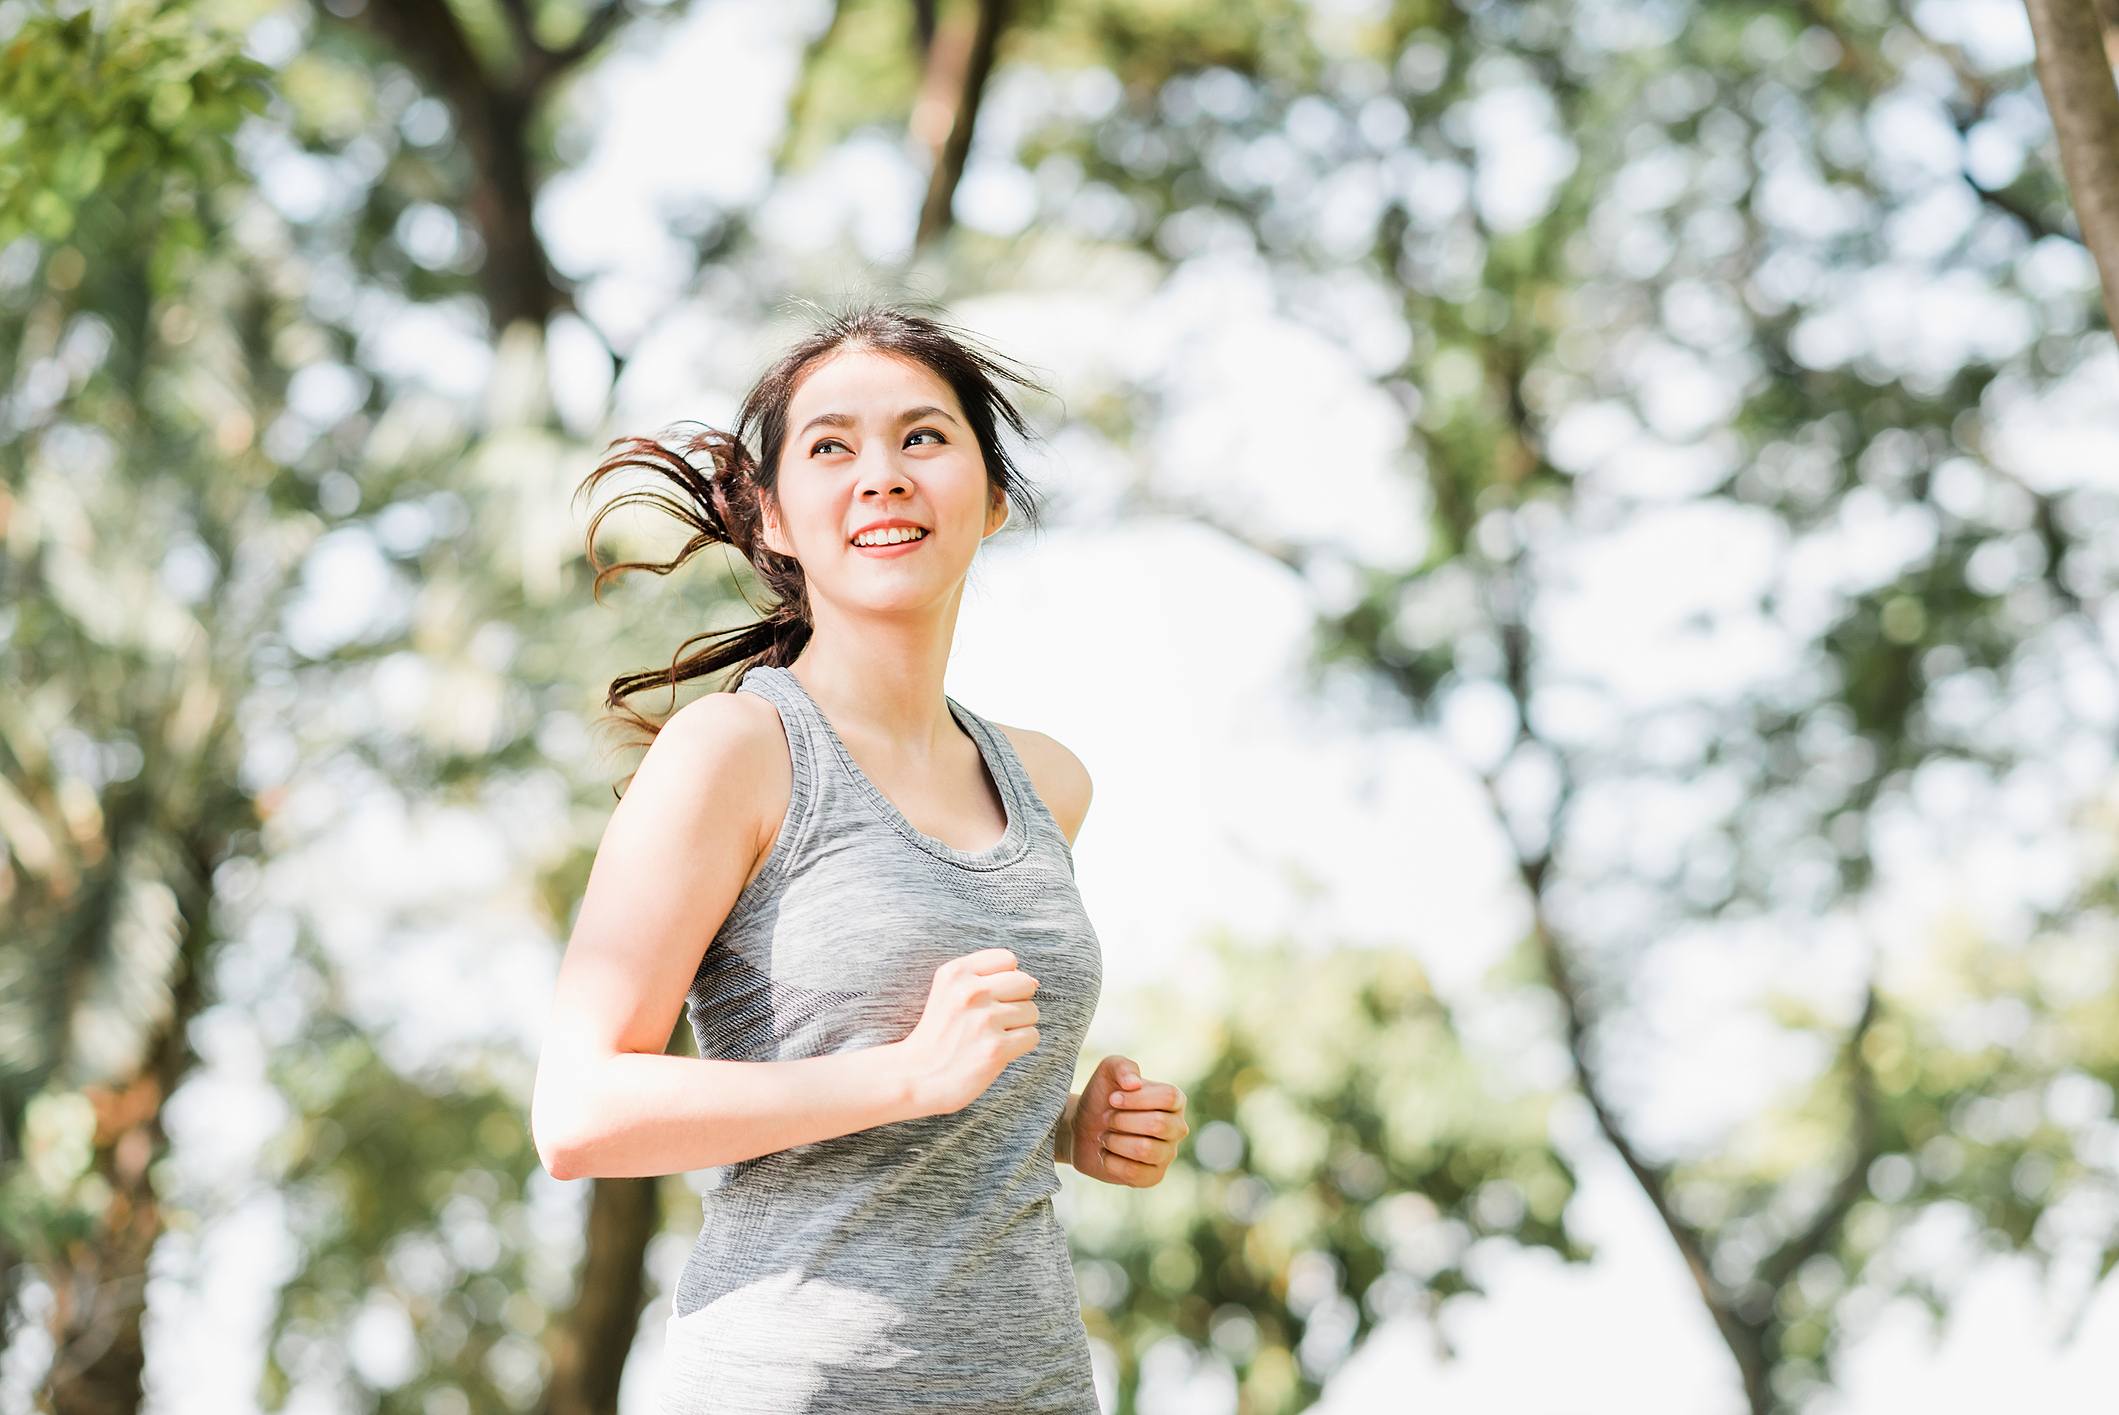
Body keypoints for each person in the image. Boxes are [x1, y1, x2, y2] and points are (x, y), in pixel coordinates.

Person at [530, 305, 1192, 1413]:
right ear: (775, 515)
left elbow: (947, 1088)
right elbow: (578, 1111)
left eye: (923, 438)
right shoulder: (735, 752)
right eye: (831, 446)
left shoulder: (1047, 780)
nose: (881, 475)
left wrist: (1066, 1120)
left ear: (992, 496)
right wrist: (905, 1074)